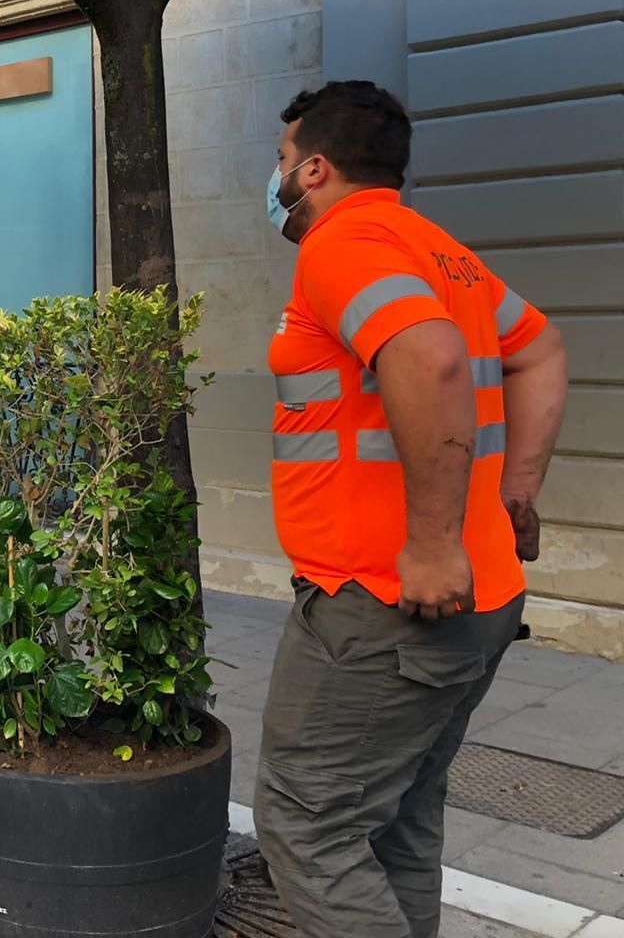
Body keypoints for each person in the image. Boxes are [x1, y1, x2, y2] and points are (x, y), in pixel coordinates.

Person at [253, 82, 569, 937]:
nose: (276, 179)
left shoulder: (341, 242)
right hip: (480, 595)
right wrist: (517, 493)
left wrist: (431, 544)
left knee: (306, 823)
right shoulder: (440, 250)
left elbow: (429, 360)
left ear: (315, 168)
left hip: (384, 603)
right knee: (397, 819)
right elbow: (538, 348)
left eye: (282, 163)